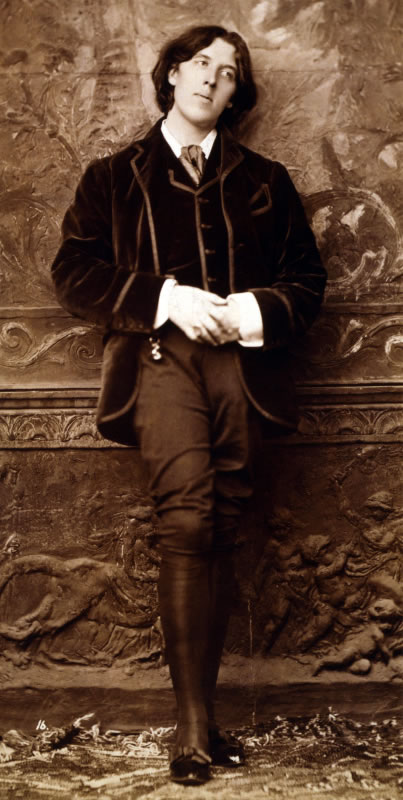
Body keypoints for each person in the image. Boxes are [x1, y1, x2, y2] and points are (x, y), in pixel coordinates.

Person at [51, 25, 327, 785]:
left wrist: (245, 311)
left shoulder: (265, 180)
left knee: (223, 523)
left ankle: (204, 715)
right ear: (172, 75)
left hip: (243, 369)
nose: (211, 78)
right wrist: (166, 299)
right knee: (186, 519)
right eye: (199, 63)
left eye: (228, 72)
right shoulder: (113, 177)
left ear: (236, 95)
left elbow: (308, 282)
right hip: (158, 363)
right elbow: (72, 270)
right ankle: (192, 725)